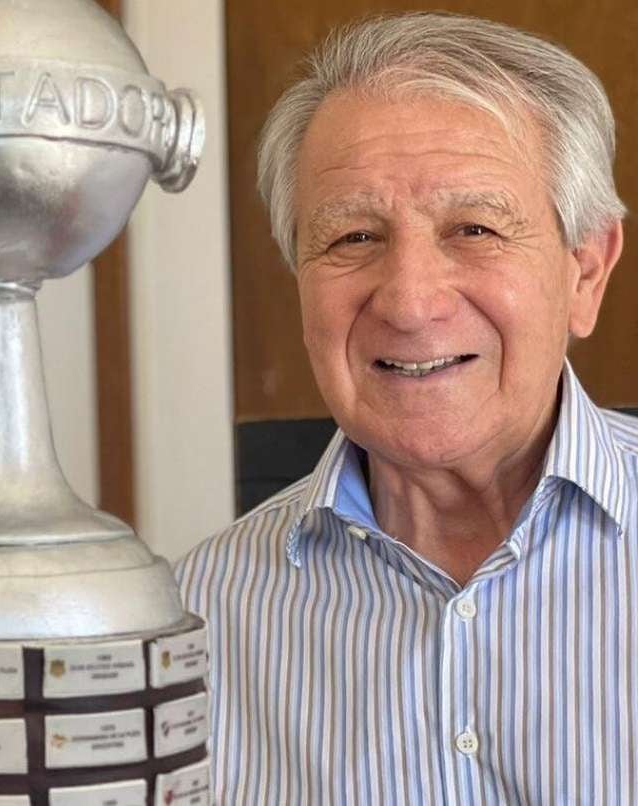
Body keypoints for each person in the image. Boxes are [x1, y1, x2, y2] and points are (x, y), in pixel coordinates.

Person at [177, 13, 633, 803]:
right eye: (353, 237)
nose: (411, 302)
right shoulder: (192, 622)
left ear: (585, 272)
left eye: (475, 228)